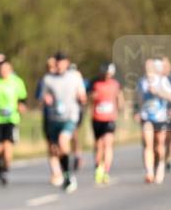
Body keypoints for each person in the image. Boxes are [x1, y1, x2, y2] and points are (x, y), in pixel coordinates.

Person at [41, 52, 87, 193]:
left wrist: (81, 97)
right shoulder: (48, 79)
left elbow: (83, 95)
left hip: (70, 116)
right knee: (56, 149)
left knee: (63, 141)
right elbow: (44, 95)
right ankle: (67, 173)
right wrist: (46, 99)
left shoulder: (74, 77)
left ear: (66, 63)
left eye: (61, 62)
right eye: (57, 62)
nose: (59, 64)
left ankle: (69, 173)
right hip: (55, 118)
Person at [0, 55, 27, 186]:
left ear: (10, 69)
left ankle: (4, 167)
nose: (3, 72)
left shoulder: (17, 81)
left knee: (7, 149)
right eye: (1, 69)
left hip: (11, 118)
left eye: (6, 69)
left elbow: (23, 97)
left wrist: (21, 105)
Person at [134, 58, 171, 184]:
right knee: (148, 144)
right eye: (146, 67)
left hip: (160, 117)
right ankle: (149, 172)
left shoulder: (162, 80)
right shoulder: (141, 82)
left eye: (149, 67)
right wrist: (136, 111)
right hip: (146, 116)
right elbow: (137, 98)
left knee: (159, 146)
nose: (147, 70)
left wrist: (157, 92)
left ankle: (160, 166)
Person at [89, 62, 122, 185]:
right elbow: (90, 98)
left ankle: (106, 170)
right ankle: (98, 167)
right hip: (97, 118)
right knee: (99, 145)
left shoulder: (115, 84)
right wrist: (93, 97)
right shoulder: (95, 83)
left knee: (108, 144)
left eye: (109, 74)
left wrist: (118, 110)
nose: (106, 76)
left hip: (110, 118)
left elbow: (120, 99)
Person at [36, 55, 62, 186]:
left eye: (53, 66)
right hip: (49, 118)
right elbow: (39, 100)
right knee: (51, 146)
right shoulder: (43, 81)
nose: (51, 69)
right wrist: (44, 100)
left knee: (62, 145)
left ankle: (63, 168)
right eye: (49, 67)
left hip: (63, 118)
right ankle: (55, 172)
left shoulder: (65, 79)